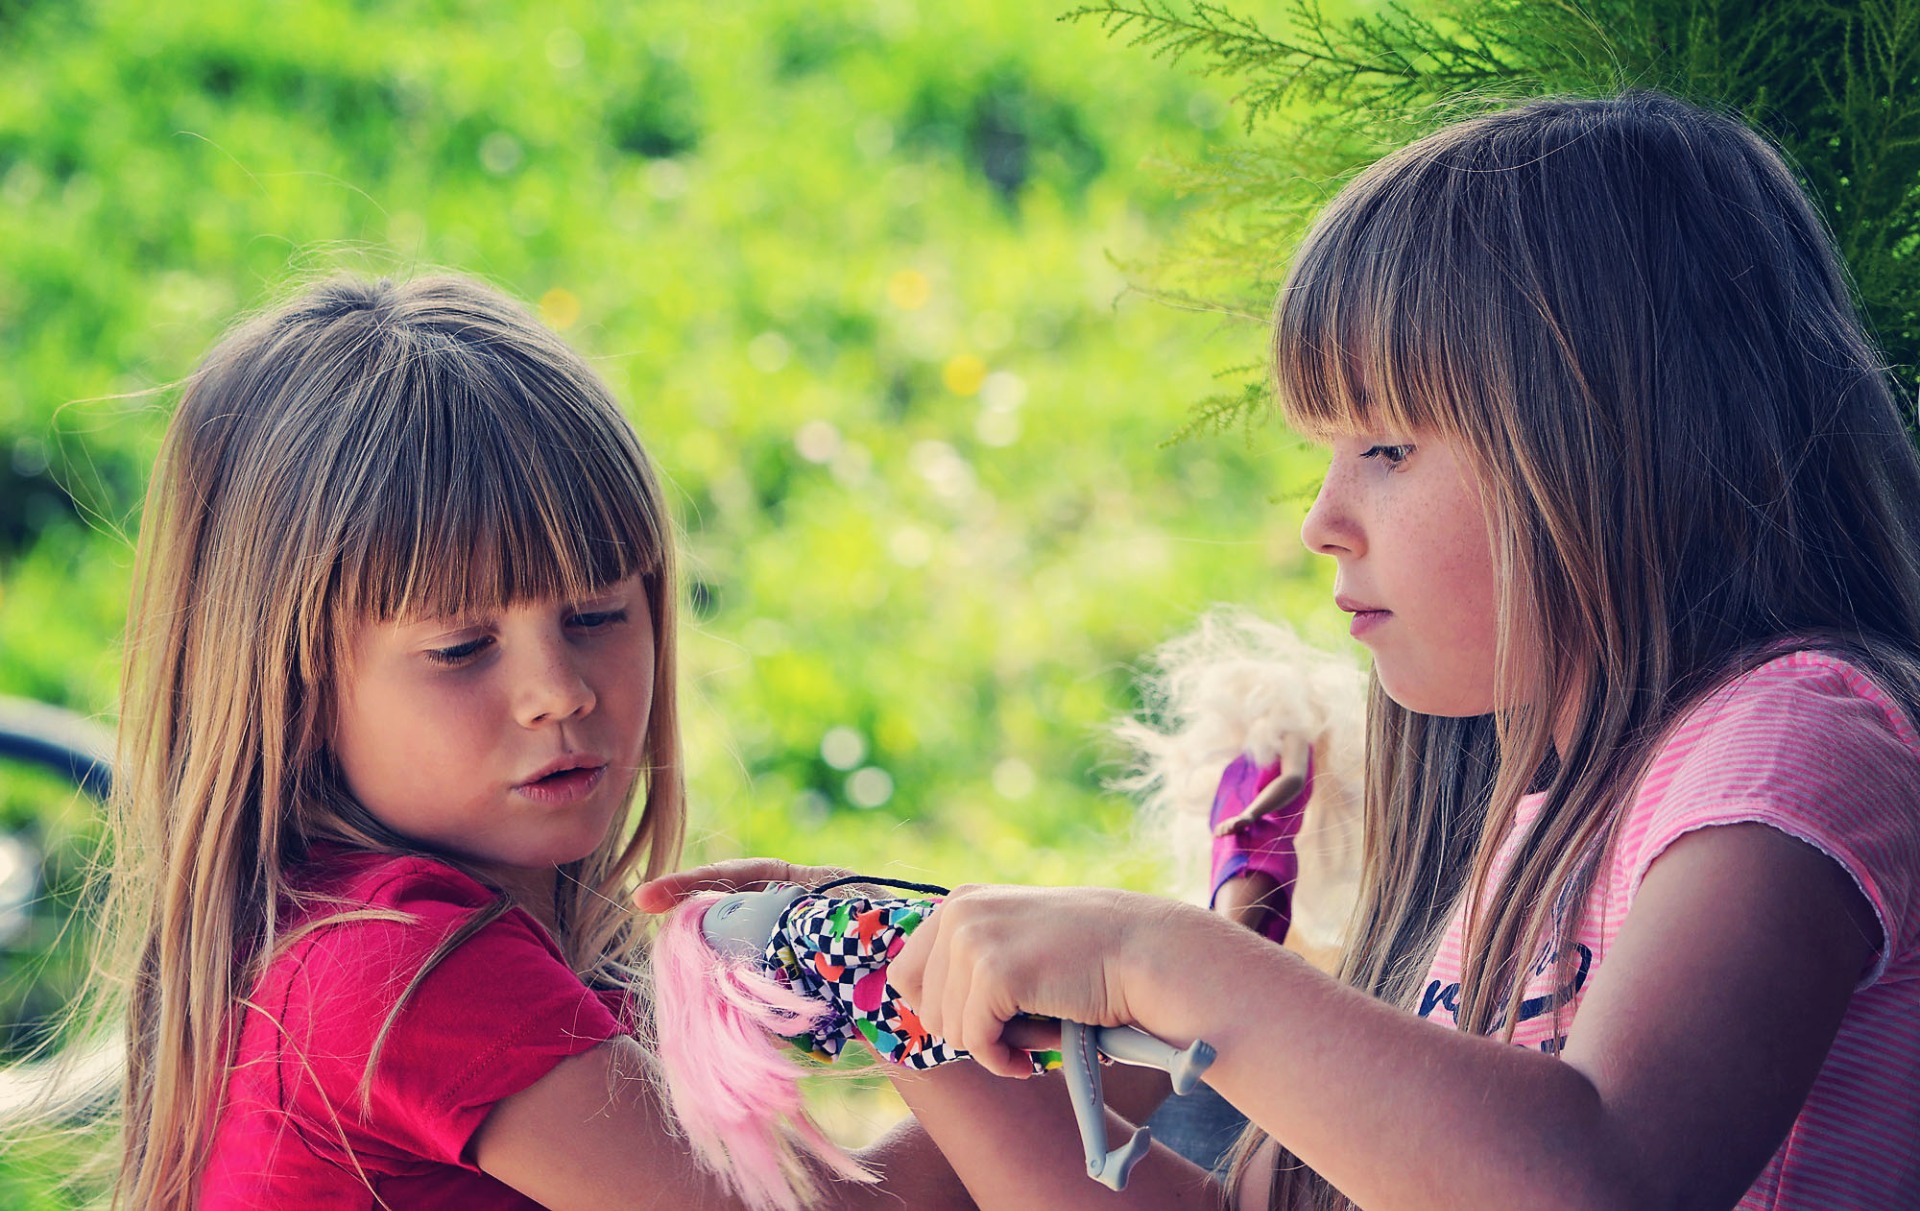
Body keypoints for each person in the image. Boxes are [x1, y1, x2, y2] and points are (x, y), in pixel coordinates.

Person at [647, 91, 1920, 1209]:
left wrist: (1165, 955)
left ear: (1611, 447)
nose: (1323, 520)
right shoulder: (1532, 833)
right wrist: (919, 986)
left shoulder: (1797, 736)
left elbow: (1603, 1181)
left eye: (1385, 448)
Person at [83, 274, 968, 1210]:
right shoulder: (402, 966)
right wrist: (935, 985)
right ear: (288, 689)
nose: (560, 691)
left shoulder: (503, 948)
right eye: (460, 648)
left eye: (596, 613)